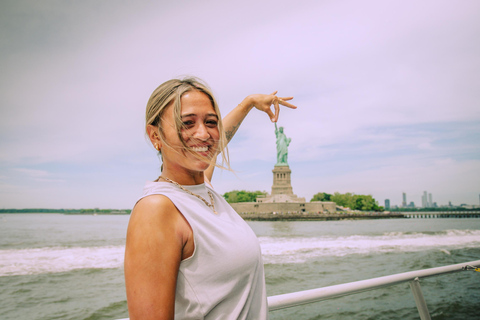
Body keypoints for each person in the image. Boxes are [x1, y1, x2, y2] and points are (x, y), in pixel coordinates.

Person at [124, 77, 296, 320]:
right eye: (186, 123)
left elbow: (216, 139)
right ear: (155, 136)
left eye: (210, 122)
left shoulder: (201, 188)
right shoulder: (157, 209)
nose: (203, 134)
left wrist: (248, 104)